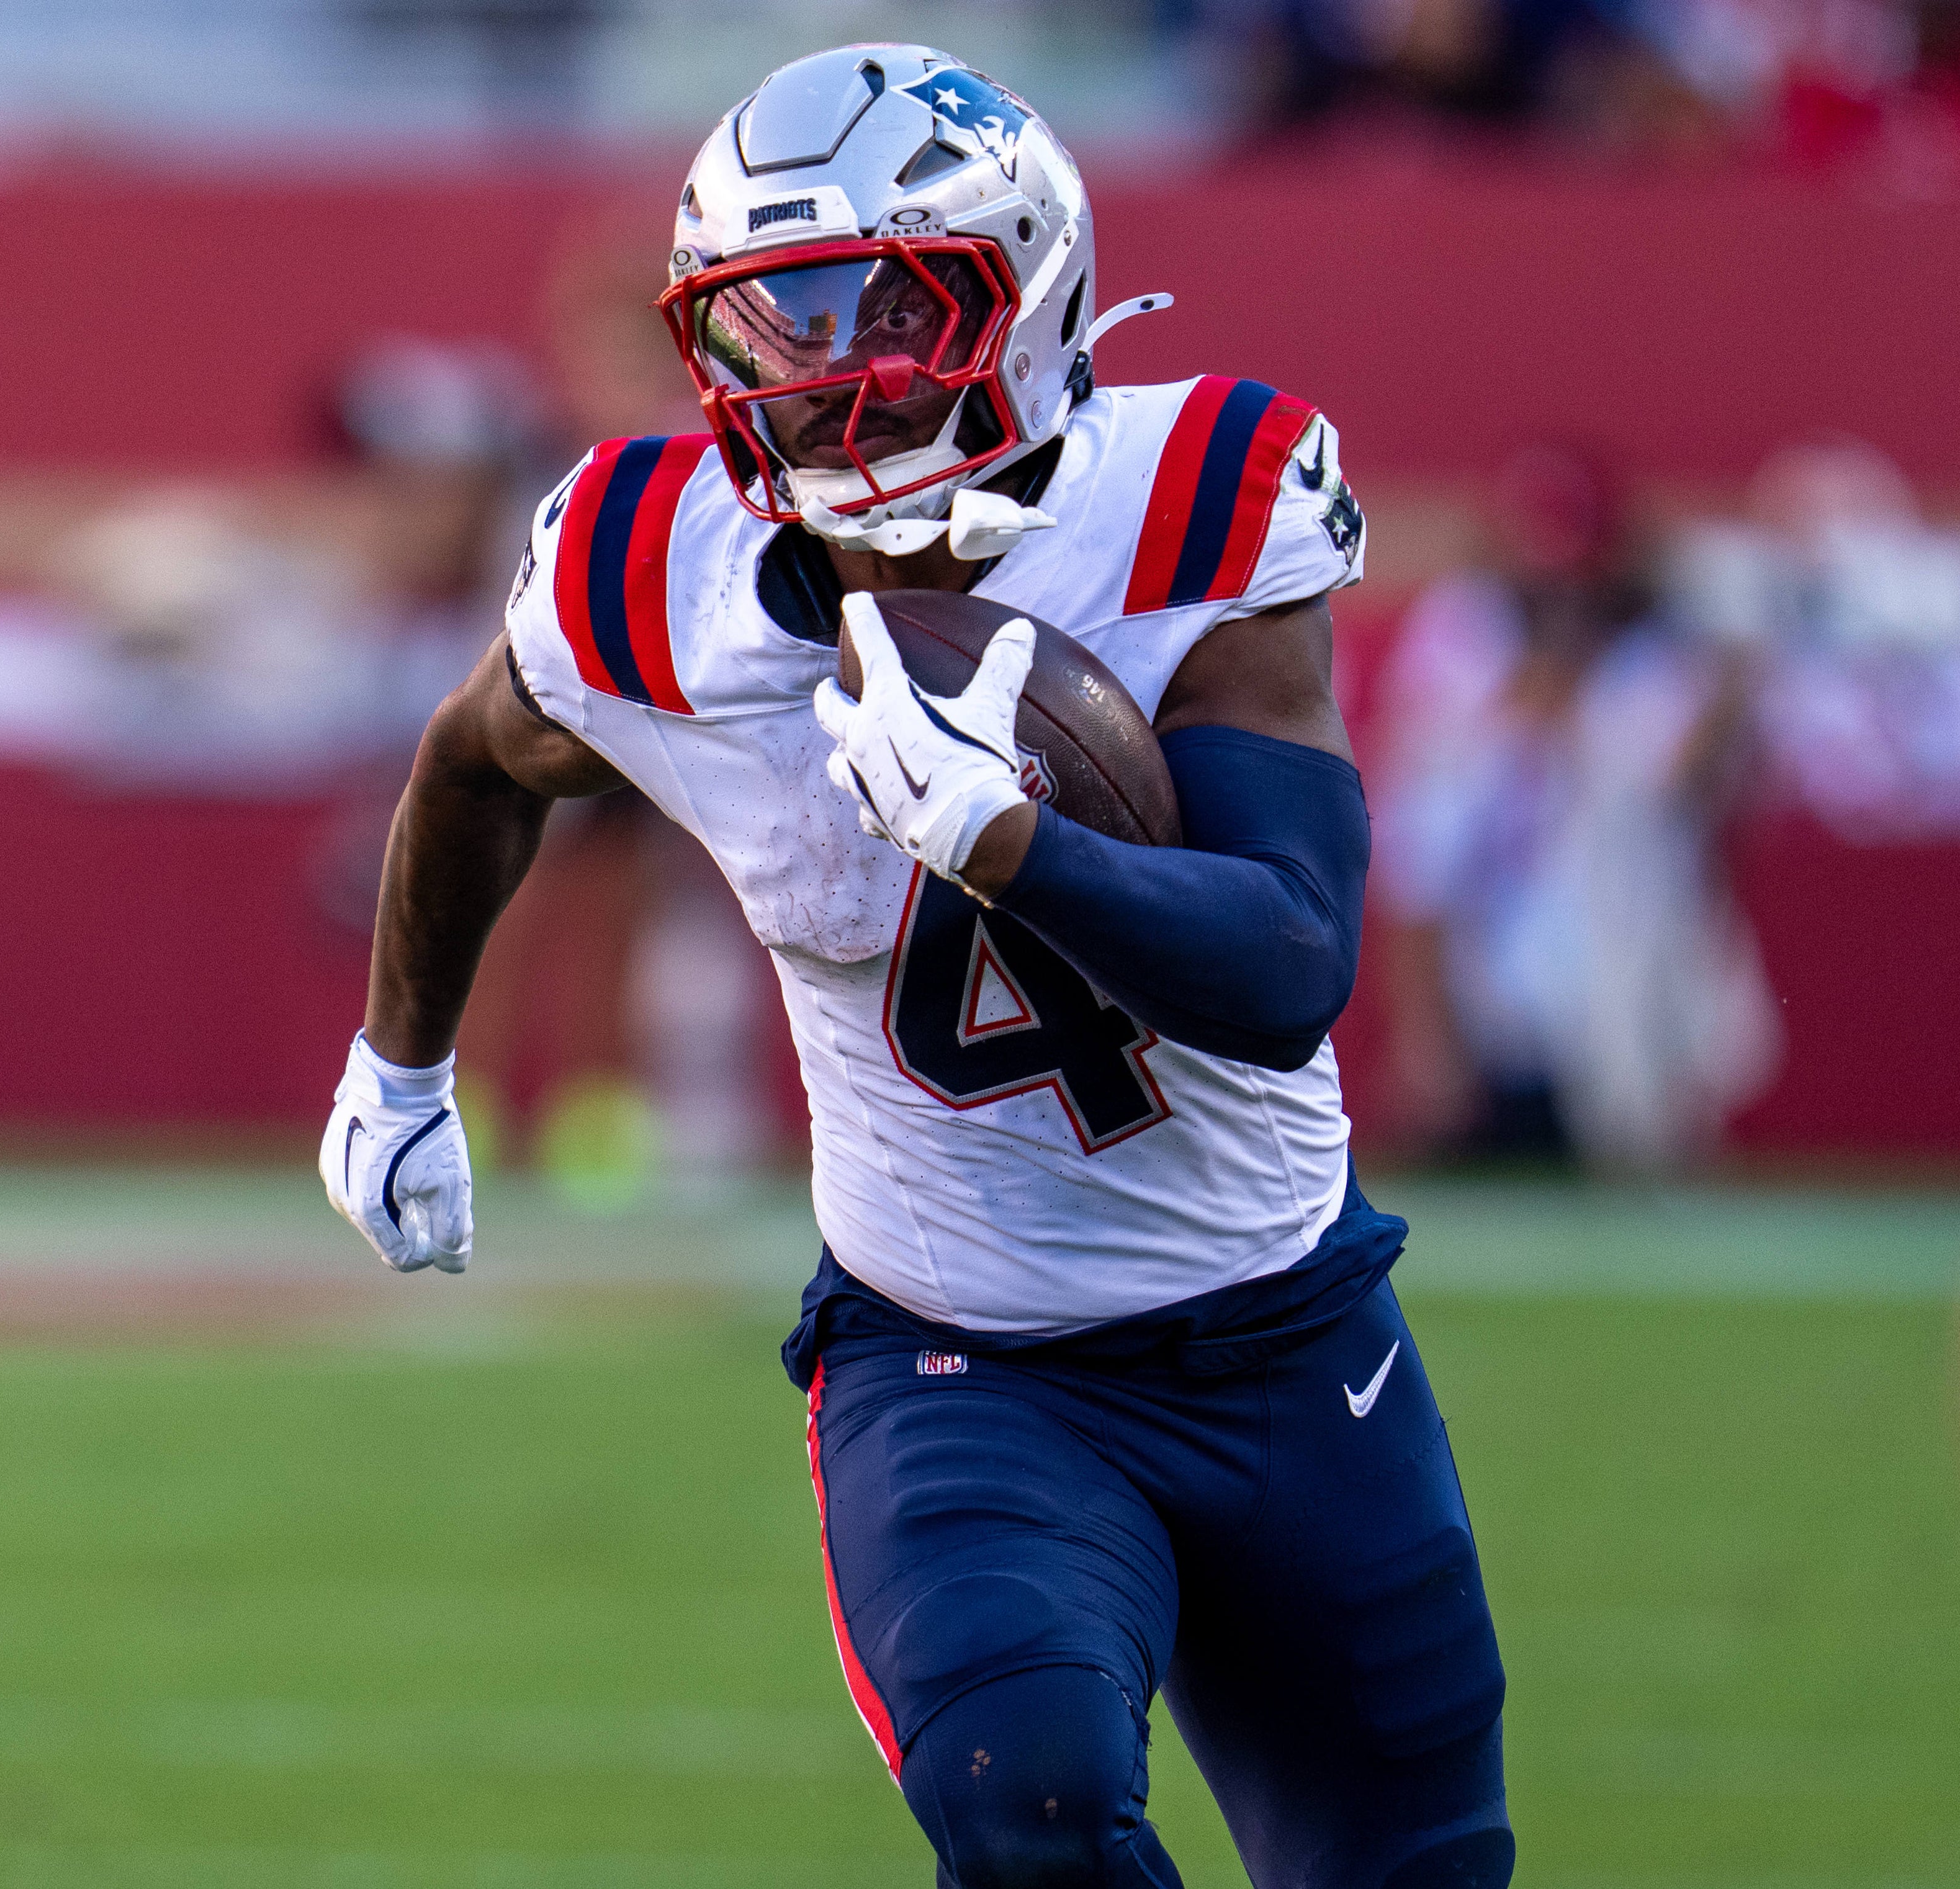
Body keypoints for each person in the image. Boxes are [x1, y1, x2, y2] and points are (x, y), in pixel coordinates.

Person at [320, 44, 1511, 1889]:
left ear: (1025, 289)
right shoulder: (649, 572)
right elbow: (480, 755)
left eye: (881, 303)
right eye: (766, 323)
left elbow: (1289, 970)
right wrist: (398, 1065)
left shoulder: (1196, 498)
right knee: (1020, 1803)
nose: (826, 374)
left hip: (1282, 1331)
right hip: (961, 1357)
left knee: (1416, 1864)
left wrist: (1015, 845)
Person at [1375, 443, 1776, 1168]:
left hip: (1631, 1000)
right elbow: (1421, 866)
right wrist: (1427, 1041)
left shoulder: (1654, 660)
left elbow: (1685, 794)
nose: (1561, 601)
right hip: (1502, 1017)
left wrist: (1731, 679)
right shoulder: (1463, 654)